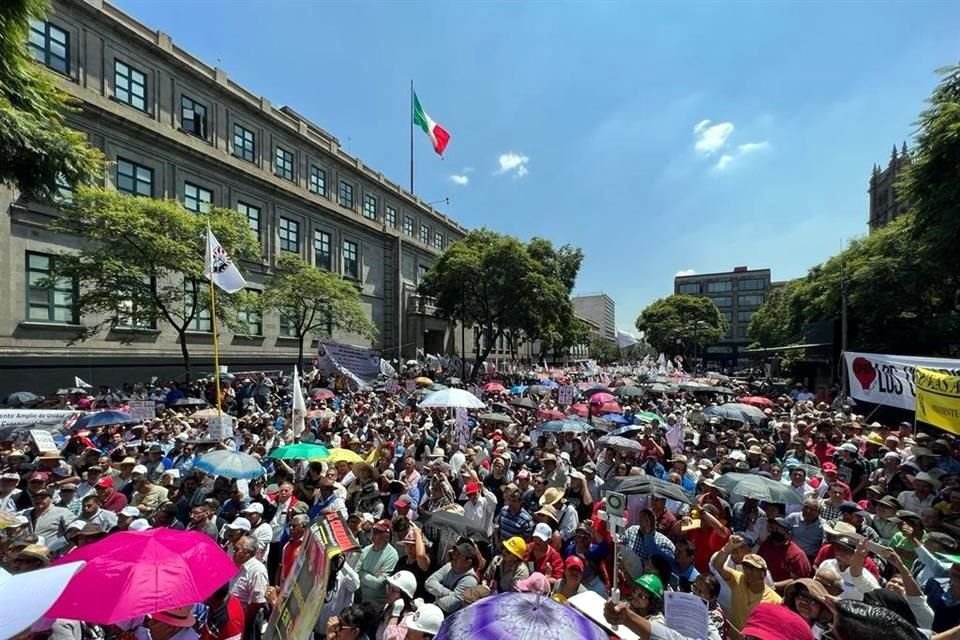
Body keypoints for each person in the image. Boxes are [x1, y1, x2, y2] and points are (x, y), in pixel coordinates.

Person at [711, 534, 782, 634]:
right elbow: (717, 565)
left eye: (753, 568)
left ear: (763, 574)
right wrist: (728, 547)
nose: (748, 571)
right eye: (746, 567)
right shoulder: (738, 579)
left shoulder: (776, 601)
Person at [424, 538, 480, 614]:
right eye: (455, 554)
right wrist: (448, 593)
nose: (454, 558)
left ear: (468, 562)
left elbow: (449, 606)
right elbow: (428, 583)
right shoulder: (449, 566)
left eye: (459, 556)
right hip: (434, 609)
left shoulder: (470, 581)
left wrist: (436, 594)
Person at [229, 535, 269, 639]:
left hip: (244, 622)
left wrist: (243, 623)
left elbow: (256, 603)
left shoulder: (257, 571)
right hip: (230, 618)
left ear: (247, 552)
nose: (233, 552)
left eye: (236, 549)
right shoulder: (236, 565)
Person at [757, 517, 812, 589]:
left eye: (777, 529)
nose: (774, 531)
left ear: (788, 534)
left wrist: (773, 585)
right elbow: (757, 561)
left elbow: (798, 580)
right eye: (772, 528)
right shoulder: (766, 544)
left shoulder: (796, 555)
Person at [358, 519, 400, 609]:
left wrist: (363, 573)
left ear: (386, 536)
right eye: (373, 531)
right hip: (362, 599)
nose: (373, 535)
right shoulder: (366, 550)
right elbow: (356, 572)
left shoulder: (392, 555)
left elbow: (378, 583)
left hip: (378, 604)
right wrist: (370, 576)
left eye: (377, 533)